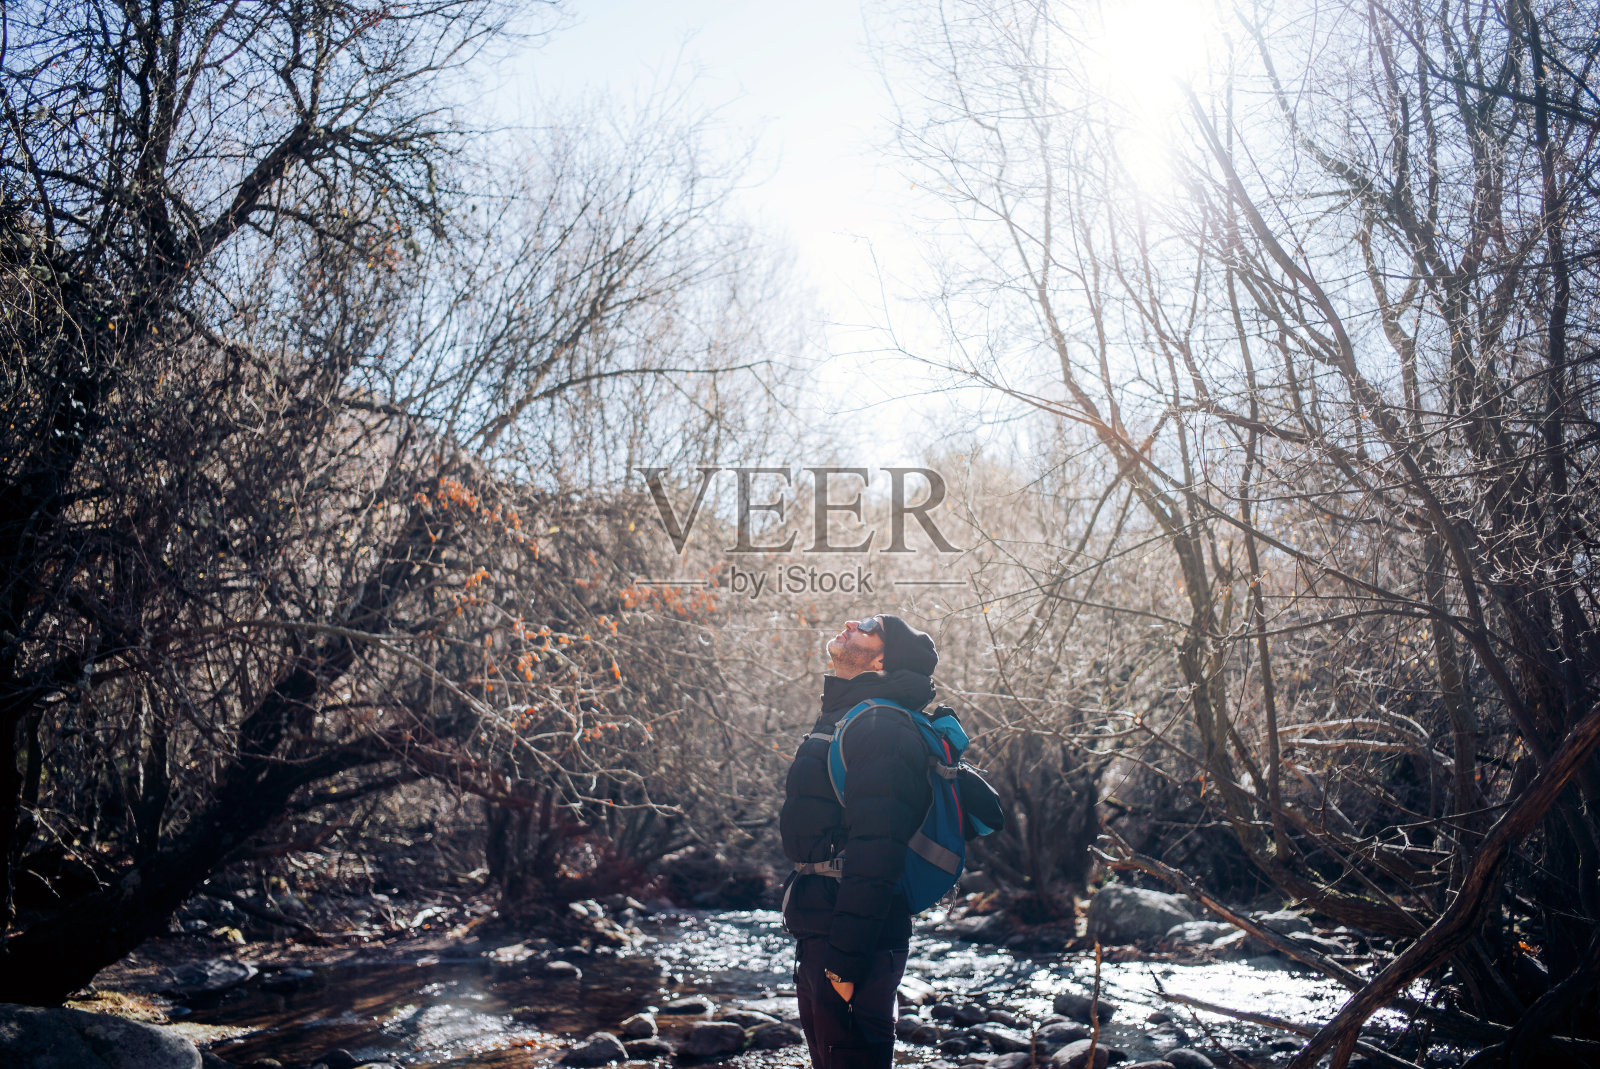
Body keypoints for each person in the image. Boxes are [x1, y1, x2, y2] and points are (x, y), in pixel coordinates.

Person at [780, 613, 940, 1069]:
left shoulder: (882, 727)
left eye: (869, 625)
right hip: (826, 925)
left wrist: (844, 963)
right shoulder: (850, 716)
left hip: (853, 940)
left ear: (883, 658)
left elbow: (878, 849)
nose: (852, 622)